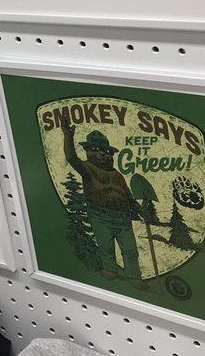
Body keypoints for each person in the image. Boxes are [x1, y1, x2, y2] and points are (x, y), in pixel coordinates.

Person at [59, 115, 145, 288]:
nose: (103, 154)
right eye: (97, 150)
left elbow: (128, 196)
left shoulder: (117, 175)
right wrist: (68, 136)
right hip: (100, 216)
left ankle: (134, 276)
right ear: (88, 151)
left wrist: (139, 209)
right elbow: (72, 158)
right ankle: (110, 269)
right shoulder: (87, 168)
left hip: (122, 218)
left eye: (107, 152)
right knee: (106, 246)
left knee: (130, 248)